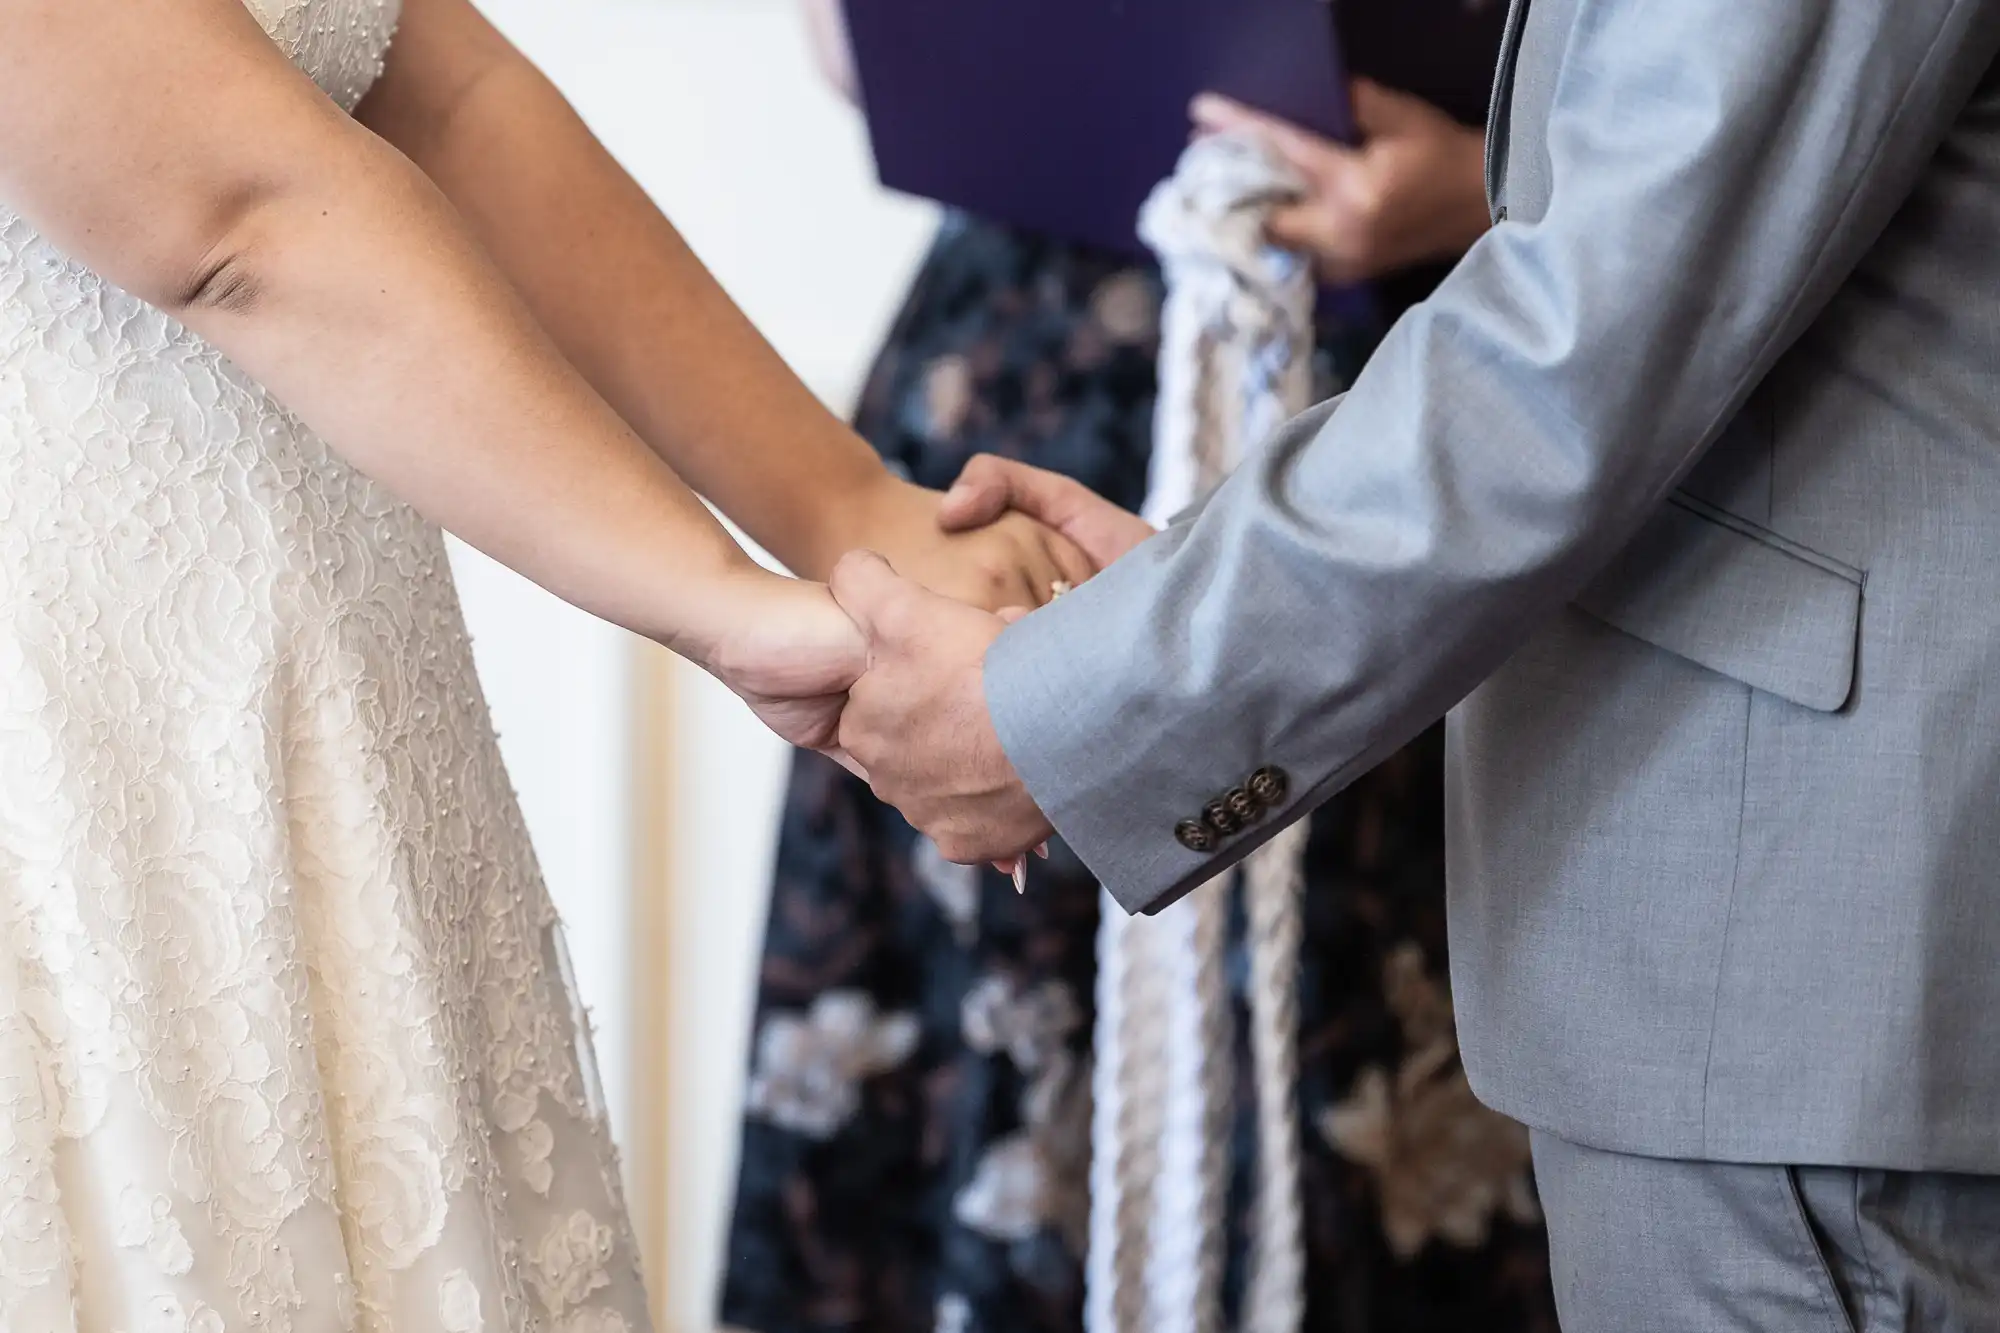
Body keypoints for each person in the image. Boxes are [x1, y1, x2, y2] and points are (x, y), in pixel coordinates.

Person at [834, 0, 2000, 1326]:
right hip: (1750, 911)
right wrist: (1178, 586)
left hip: (1809, 949)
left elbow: (1590, 340)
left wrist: (1078, 708)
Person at [0, 0, 1091, 1327]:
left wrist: (847, 505)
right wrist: (728, 607)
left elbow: (441, 88)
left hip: (332, 707)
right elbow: (233, 213)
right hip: (80, 749)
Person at [721, 4, 1554, 1332]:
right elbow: (855, 47)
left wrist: (1477, 181)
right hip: (1016, 393)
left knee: (1344, 995)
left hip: (1387, 409)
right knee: (992, 994)